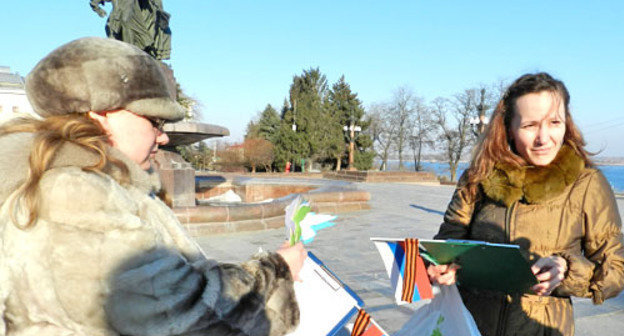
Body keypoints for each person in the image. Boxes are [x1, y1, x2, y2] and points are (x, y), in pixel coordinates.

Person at [0, 37, 305, 336]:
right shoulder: (73, 195)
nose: (163, 137)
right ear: (103, 115)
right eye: (154, 121)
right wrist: (276, 274)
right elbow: (183, 319)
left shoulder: (88, 183)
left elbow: (160, 294)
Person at [428, 72, 624, 336]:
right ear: (509, 127)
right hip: (469, 326)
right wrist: (441, 267)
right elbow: (448, 242)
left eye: (554, 122)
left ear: (567, 123)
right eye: (530, 125)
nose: (544, 138)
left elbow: (615, 270)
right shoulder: (479, 176)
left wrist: (567, 271)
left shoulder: (587, 183)